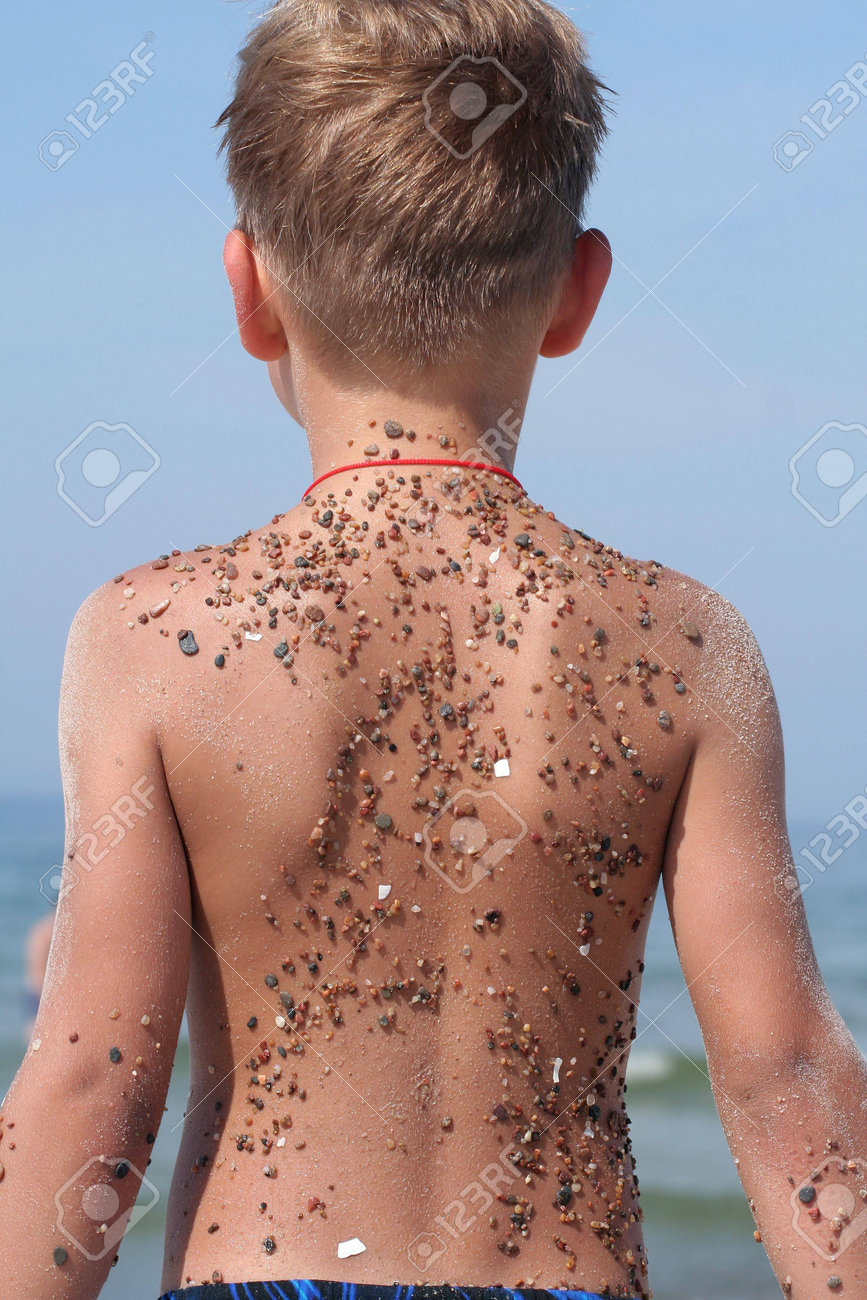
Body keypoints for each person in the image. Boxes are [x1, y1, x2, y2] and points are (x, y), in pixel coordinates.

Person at [1, 1, 864, 1297]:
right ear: (579, 292)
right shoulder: (686, 645)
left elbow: (89, 1093)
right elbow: (790, 1081)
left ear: (249, 292)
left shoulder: (156, 640)